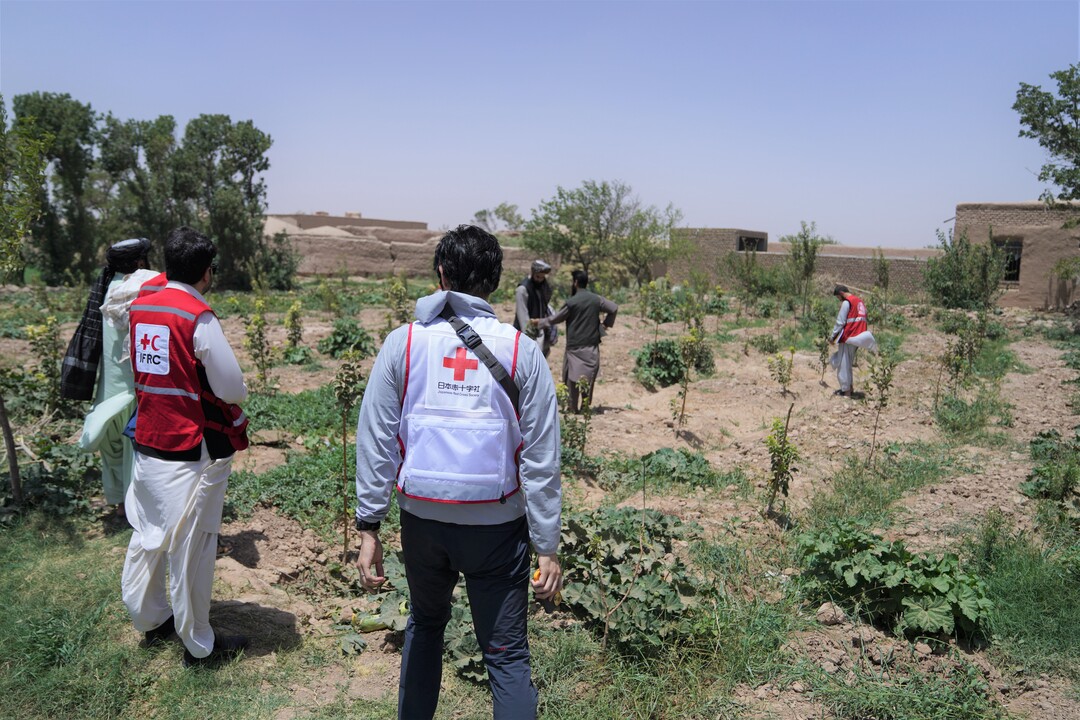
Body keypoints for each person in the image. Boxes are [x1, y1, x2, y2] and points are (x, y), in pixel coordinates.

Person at [354, 224, 562, 720]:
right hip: (497, 530)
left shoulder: (403, 344)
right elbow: (541, 458)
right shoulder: (522, 352)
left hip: (423, 524)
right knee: (506, 656)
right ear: (495, 280)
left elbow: (376, 439)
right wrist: (547, 545)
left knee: (425, 627)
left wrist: (369, 526)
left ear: (441, 274)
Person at [120, 226, 251, 668]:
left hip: (147, 439)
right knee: (192, 545)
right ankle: (198, 644)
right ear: (206, 271)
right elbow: (231, 388)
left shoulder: (142, 306)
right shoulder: (197, 317)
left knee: (148, 532)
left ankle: (149, 617)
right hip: (189, 447)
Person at [75, 238, 157, 518]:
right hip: (133, 384)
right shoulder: (142, 287)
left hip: (109, 387)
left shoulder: (107, 288)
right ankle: (136, 507)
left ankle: (121, 503)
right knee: (133, 444)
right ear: (140, 262)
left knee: (112, 446)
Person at [534, 269, 618, 413]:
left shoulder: (572, 302)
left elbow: (556, 318)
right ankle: (585, 406)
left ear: (575, 282)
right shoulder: (596, 299)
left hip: (574, 346)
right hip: (591, 345)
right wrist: (605, 325)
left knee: (572, 378)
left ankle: (572, 408)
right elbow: (614, 308)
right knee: (588, 377)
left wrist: (539, 322)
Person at [829, 284, 874, 398]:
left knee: (843, 364)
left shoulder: (847, 302)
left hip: (849, 337)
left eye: (838, 298)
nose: (839, 300)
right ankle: (850, 388)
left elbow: (840, 322)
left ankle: (847, 392)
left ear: (841, 294)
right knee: (848, 363)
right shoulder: (860, 302)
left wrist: (832, 337)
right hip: (858, 338)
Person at [514, 258, 555, 357]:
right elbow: (523, 317)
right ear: (532, 273)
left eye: (542, 277)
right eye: (537, 277)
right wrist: (530, 339)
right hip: (527, 333)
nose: (540, 279)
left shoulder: (544, 286)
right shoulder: (522, 289)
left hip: (541, 329)